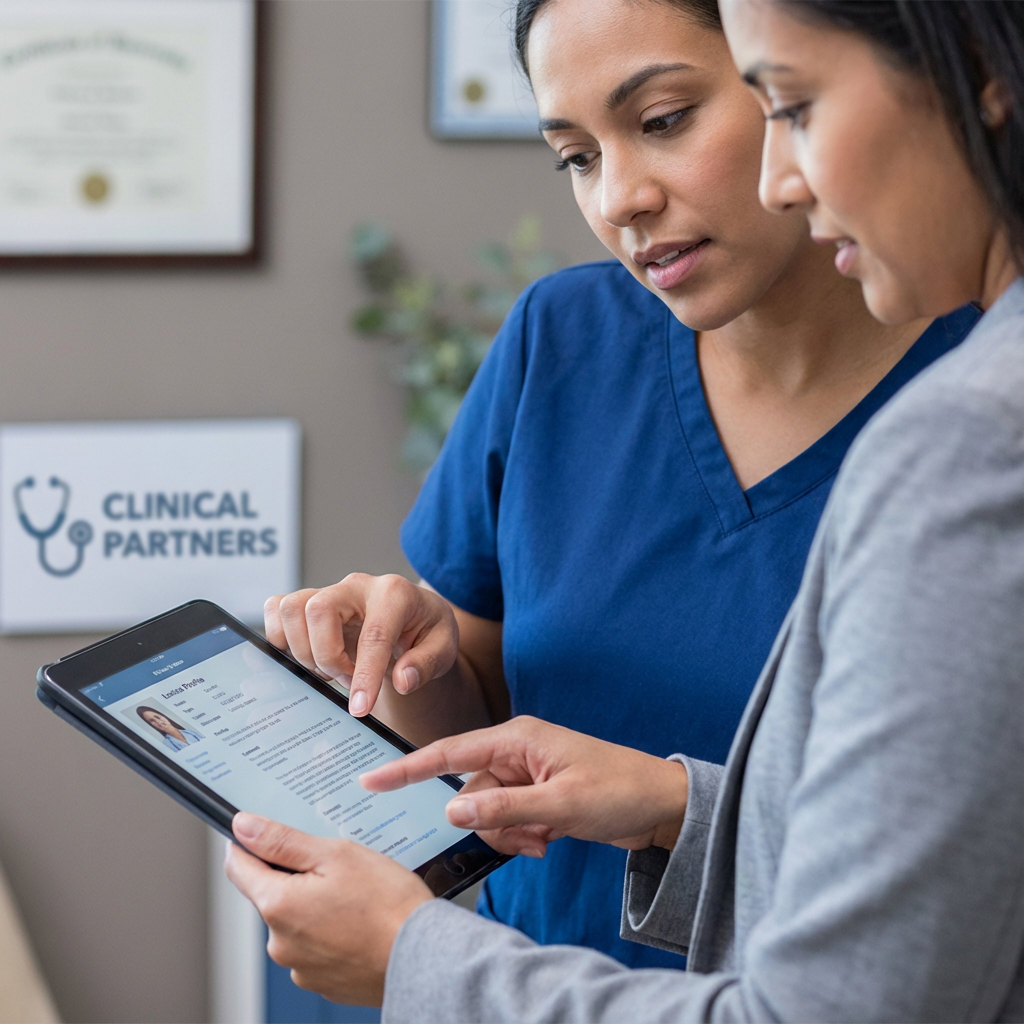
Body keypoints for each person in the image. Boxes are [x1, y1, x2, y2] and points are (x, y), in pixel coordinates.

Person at [224, 0, 1024, 1019]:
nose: (620, 199)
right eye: (574, 157)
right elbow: (479, 730)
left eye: (663, 119)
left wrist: (416, 963)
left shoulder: (968, 426)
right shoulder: (561, 340)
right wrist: (412, 659)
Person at [135, 706, 201, 753]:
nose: (159, 722)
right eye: (152, 721)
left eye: (157, 717)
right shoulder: (166, 745)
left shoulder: (189, 732)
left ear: (163, 716)